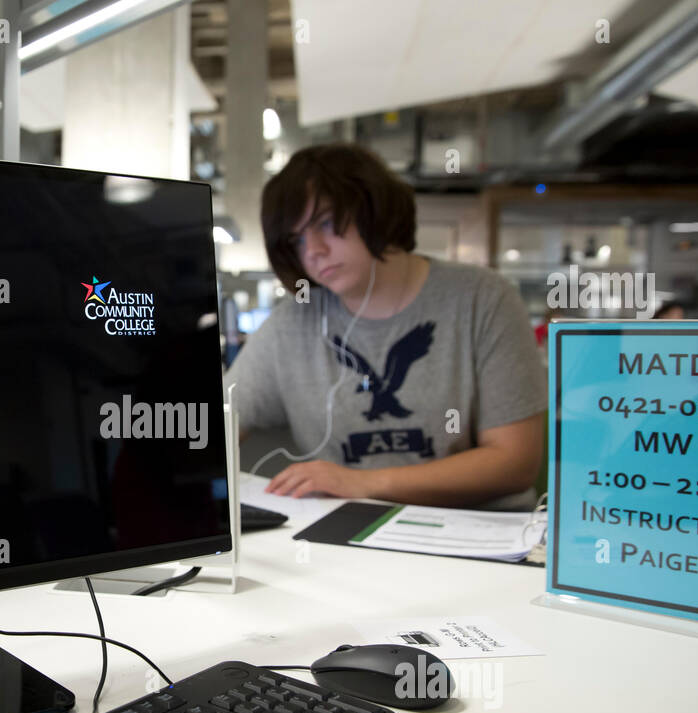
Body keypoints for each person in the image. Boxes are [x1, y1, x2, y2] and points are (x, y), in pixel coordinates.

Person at [225, 144, 547, 508]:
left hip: (478, 539)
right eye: (296, 240)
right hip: (348, 541)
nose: (312, 250)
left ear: (374, 208)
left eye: (326, 223)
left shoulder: (482, 298)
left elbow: (515, 462)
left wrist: (364, 483)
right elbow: (214, 425)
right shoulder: (293, 321)